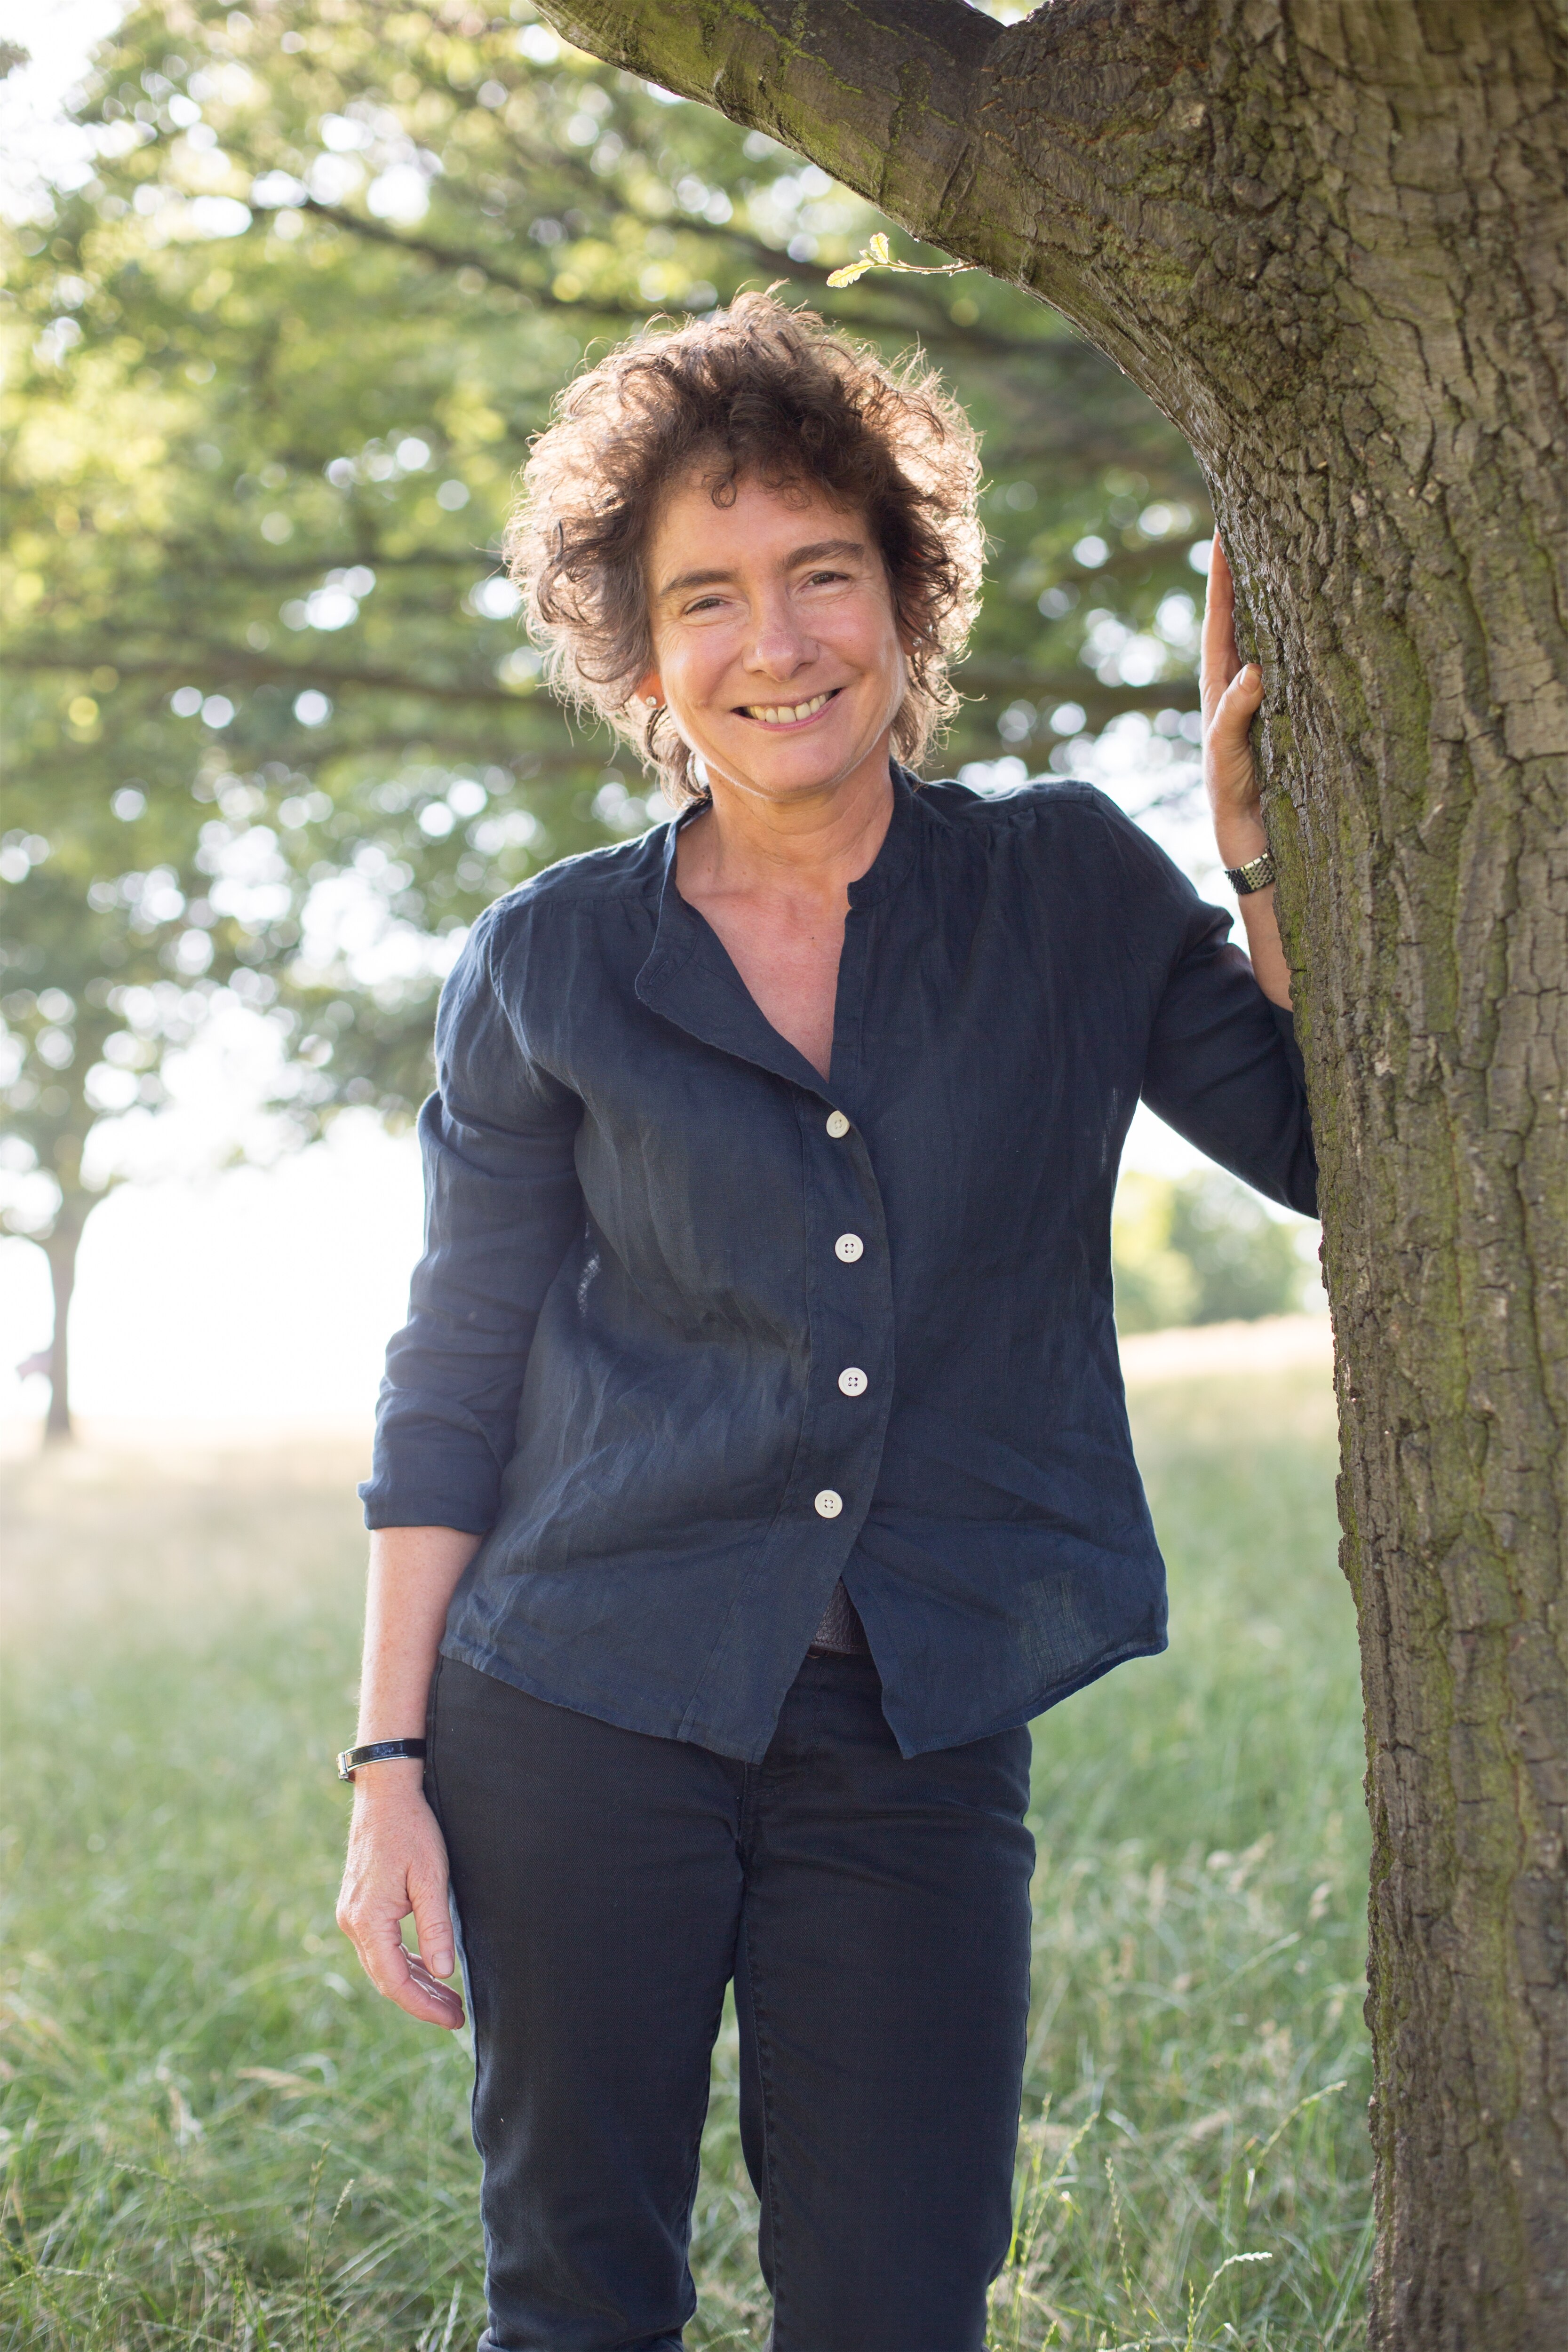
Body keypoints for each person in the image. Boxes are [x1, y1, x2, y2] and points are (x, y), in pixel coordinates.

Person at [335, 293, 1314, 2352]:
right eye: (708, 597)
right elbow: (450, 1378)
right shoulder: (547, 962)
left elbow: (1339, 1146)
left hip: (917, 1730)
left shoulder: (1062, 883)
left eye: (820, 577)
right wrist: (389, 1760)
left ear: (907, 594)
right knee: (578, 2297)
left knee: (895, 2300)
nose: (773, 643)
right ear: (644, 651)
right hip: (575, 1703)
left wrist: (1255, 852)